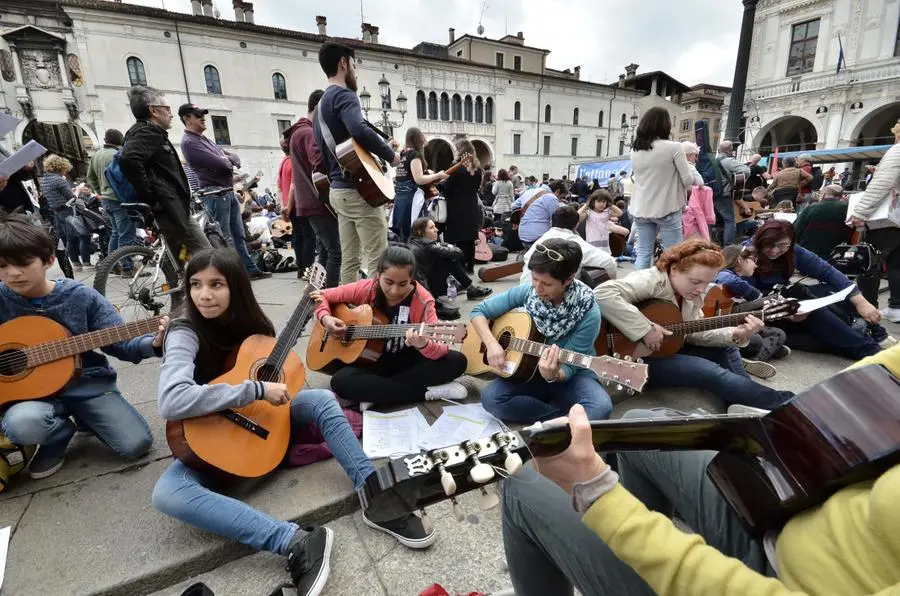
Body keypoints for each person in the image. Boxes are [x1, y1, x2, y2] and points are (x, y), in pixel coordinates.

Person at [501, 345, 900, 596]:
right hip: (786, 510)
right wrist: (785, 422)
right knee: (645, 424)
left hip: (780, 581)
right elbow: (873, 382)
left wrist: (600, 496)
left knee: (523, 484)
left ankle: (601, 546)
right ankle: (602, 551)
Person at [151, 248, 434, 596]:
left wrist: (269, 383)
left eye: (216, 284)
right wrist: (254, 389)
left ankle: (375, 494)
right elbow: (171, 399)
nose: (204, 295)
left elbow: (277, 373)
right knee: (167, 493)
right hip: (210, 436)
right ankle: (295, 540)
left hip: (259, 422)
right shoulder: (184, 330)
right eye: (195, 284)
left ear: (236, 287)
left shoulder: (252, 324)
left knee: (321, 400)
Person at [0, 214, 159, 478]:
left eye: (24, 263)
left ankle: (88, 416)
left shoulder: (80, 296)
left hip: (87, 384)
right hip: (29, 398)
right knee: (21, 424)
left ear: (49, 260)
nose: (13, 273)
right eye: (3, 266)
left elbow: (121, 343)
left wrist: (153, 343)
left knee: (136, 445)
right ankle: (59, 434)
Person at [594, 238, 795, 410]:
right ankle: (785, 405)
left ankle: (747, 400)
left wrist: (737, 333)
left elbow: (694, 331)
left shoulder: (688, 294)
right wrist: (644, 329)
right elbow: (602, 293)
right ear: (674, 269)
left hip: (664, 349)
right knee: (709, 372)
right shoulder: (651, 280)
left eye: (706, 283)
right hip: (625, 359)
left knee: (726, 347)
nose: (700, 289)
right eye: (695, 281)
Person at [472, 238, 613, 424]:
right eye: (534, 279)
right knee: (491, 398)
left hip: (571, 374)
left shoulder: (588, 311)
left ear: (569, 279)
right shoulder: (528, 292)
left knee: (601, 407)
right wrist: (491, 344)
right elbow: (478, 312)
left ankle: (556, 420)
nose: (537, 288)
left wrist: (554, 374)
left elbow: (570, 366)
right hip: (526, 371)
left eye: (546, 284)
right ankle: (557, 421)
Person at [311, 245, 469, 406]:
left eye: (403, 284)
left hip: (405, 360)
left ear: (412, 279)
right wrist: (325, 318)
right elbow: (320, 296)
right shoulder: (367, 288)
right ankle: (423, 393)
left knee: (457, 361)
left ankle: (375, 392)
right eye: (388, 282)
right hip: (370, 362)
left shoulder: (423, 299)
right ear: (378, 275)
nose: (394, 290)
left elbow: (438, 350)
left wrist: (423, 344)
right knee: (340, 381)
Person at [313, 43, 400, 284]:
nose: (356, 72)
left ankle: (348, 308)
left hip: (338, 191)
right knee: (377, 258)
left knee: (349, 259)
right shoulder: (344, 95)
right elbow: (357, 129)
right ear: (343, 63)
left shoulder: (320, 107)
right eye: (354, 65)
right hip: (357, 191)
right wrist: (390, 155)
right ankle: (374, 316)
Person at [747, 220, 883, 359]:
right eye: (769, 245)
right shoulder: (745, 255)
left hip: (782, 302)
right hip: (763, 313)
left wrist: (861, 302)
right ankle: (868, 349)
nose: (775, 250)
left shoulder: (793, 251)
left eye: (782, 245)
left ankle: (871, 329)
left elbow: (827, 271)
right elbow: (746, 299)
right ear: (759, 240)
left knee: (830, 290)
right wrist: (785, 311)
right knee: (813, 311)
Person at [119, 86, 211, 259]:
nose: (171, 114)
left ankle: (182, 283)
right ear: (153, 110)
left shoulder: (141, 132)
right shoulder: (148, 132)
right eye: (167, 109)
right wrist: (152, 197)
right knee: (206, 256)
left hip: (169, 207)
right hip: (171, 208)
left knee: (180, 256)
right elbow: (128, 159)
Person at [178, 102, 268, 280]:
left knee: (238, 235)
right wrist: (226, 160)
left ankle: (248, 270)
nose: (203, 118)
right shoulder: (189, 142)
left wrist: (226, 159)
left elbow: (234, 158)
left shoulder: (203, 140)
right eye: (198, 115)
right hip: (215, 194)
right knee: (224, 237)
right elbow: (223, 163)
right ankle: (230, 275)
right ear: (187, 119)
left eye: (202, 114)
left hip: (225, 192)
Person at [629, 107, 694, 269]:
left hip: (641, 208)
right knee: (672, 254)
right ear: (665, 125)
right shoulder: (674, 147)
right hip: (667, 207)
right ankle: (667, 290)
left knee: (643, 253)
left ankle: (640, 290)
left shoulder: (635, 150)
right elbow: (688, 180)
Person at [849, 119, 900, 323]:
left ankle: (868, 306)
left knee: (869, 262)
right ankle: (897, 306)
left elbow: (882, 183)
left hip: (887, 219)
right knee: (897, 263)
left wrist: (860, 212)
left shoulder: (897, 151)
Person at [287, 90, 340, 285]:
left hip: (311, 201)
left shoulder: (299, 132)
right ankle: (331, 298)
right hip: (318, 200)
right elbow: (319, 161)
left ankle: (317, 292)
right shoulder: (308, 132)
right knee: (336, 251)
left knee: (326, 251)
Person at [715, 245, 789, 375]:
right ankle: (758, 356)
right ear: (739, 260)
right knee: (756, 341)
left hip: (732, 321)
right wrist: (755, 294)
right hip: (719, 328)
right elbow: (725, 279)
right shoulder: (725, 274)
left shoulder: (737, 280)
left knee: (779, 333)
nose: (756, 265)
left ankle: (751, 360)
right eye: (753, 260)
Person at [521, 206, 617, 285]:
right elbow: (609, 262)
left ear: (551, 222)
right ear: (575, 226)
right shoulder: (574, 242)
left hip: (525, 292)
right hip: (554, 297)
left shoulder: (540, 240)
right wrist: (611, 284)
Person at [87, 129, 136, 270]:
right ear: (120, 140)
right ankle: (127, 267)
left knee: (115, 233)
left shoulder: (96, 155)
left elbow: (90, 177)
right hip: (119, 199)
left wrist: (100, 191)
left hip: (106, 199)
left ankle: (112, 265)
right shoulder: (117, 155)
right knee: (126, 234)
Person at [409, 217, 491, 301]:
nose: (436, 230)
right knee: (448, 258)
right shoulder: (429, 247)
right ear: (419, 232)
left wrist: (445, 245)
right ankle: (469, 288)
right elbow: (459, 253)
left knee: (447, 256)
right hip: (426, 291)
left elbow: (451, 249)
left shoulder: (417, 243)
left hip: (424, 287)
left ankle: (468, 287)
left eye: (435, 227)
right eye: (431, 228)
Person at [391, 127, 447, 242]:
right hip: (412, 199)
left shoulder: (403, 154)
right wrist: (437, 176)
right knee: (417, 231)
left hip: (401, 199)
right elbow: (419, 179)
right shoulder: (414, 155)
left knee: (404, 232)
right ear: (418, 139)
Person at [40, 155, 92, 272]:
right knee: (83, 234)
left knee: (69, 238)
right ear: (60, 167)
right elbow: (72, 198)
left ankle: (76, 263)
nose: (66, 171)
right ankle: (87, 263)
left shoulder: (46, 180)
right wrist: (77, 190)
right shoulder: (59, 180)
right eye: (65, 168)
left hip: (57, 212)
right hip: (67, 210)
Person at [442, 139, 483, 273]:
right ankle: (470, 267)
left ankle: (460, 268)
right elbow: (477, 187)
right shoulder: (477, 169)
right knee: (470, 238)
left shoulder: (456, 167)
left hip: (456, 207)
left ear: (461, 151)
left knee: (459, 238)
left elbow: (447, 189)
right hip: (471, 205)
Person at [794, 184, 852, 258]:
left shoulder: (811, 208)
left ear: (823, 195)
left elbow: (796, 230)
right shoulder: (848, 210)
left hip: (809, 253)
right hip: (838, 255)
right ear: (841, 196)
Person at [713, 140, 751, 246]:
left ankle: (713, 241)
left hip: (712, 194)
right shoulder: (728, 161)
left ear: (719, 150)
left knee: (713, 220)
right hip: (724, 194)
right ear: (730, 151)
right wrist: (736, 180)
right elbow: (746, 171)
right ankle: (728, 246)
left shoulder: (712, 161)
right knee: (730, 220)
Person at [511, 180, 567, 248]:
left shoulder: (529, 191)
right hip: (538, 238)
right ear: (558, 191)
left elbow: (513, 206)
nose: (559, 200)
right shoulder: (552, 198)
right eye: (560, 197)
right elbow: (555, 221)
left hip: (522, 234)